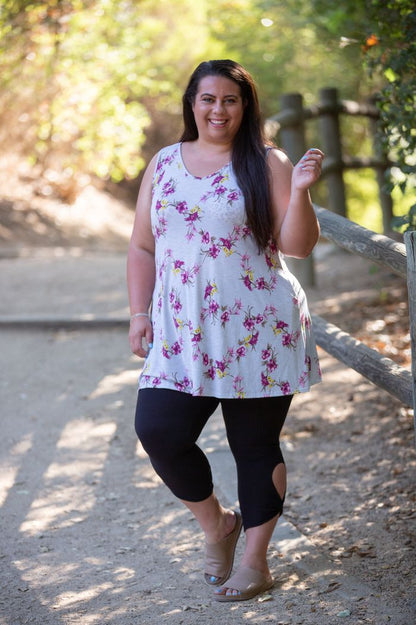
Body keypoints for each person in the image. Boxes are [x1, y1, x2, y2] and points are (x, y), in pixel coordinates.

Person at [127, 59, 323, 602]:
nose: (219, 109)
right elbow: (144, 245)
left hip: (259, 328)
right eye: (208, 99)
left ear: (245, 106)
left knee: (254, 445)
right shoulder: (164, 164)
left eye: (230, 100)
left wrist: (302, 190)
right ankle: (217, 525)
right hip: (180, 331)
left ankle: (256, 562)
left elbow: (299, 247)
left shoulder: (267, 162)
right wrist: (139, 312)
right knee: (160, 431)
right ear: (192, 103)